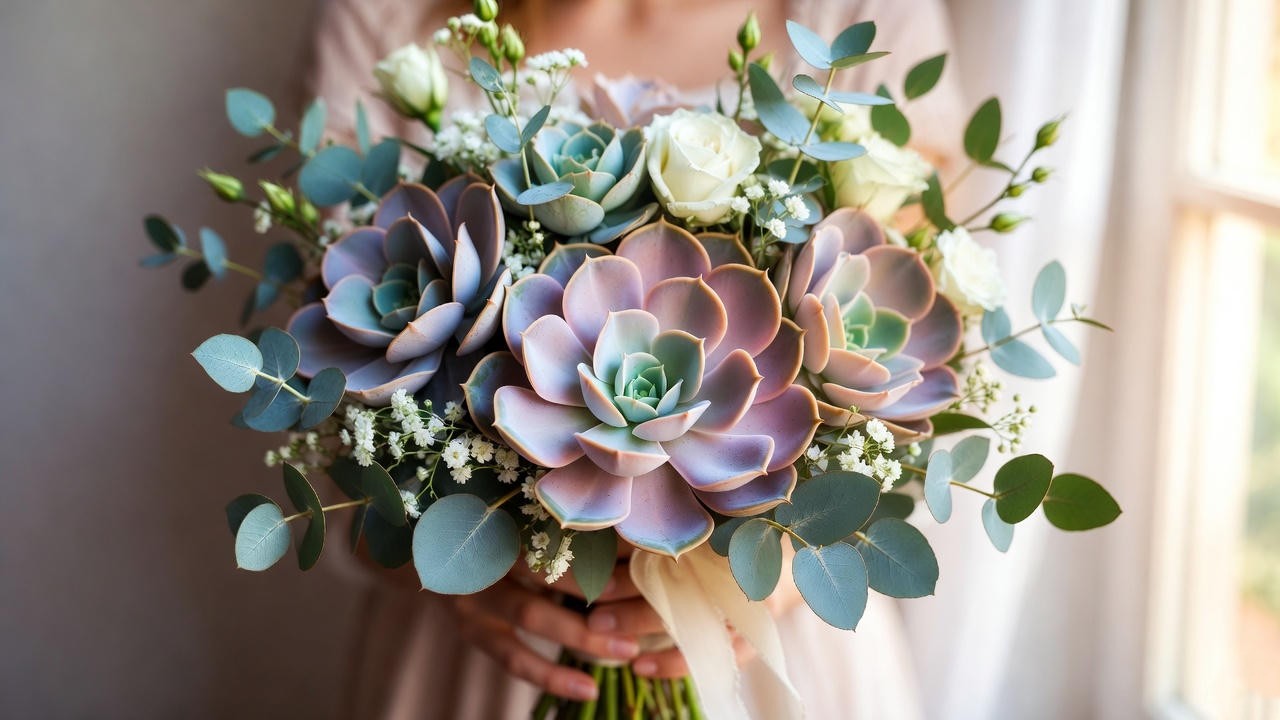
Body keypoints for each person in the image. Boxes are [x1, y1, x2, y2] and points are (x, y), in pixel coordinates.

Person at [309, 1, 963, 717]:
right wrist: (443, 560)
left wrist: (785, 561)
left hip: (777, 651)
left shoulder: (859, 11)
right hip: (478, 655)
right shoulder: (385, 14)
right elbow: (323, 382)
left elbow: (915, 343)